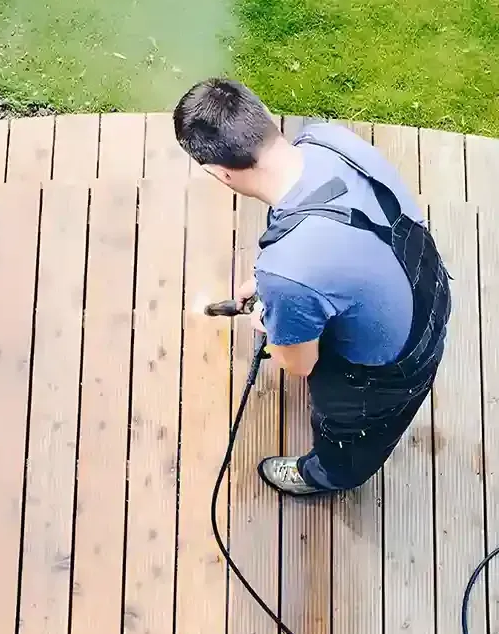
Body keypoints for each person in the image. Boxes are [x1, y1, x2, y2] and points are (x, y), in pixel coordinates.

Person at [173, 78, 452, 496]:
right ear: (264, 111)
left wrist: (278, 311)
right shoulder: (327, 140)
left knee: (351, 435)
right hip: (426, 287)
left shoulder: (288, 273)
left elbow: (299, 365)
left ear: (219, 173)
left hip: (391, 371)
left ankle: (327, 475)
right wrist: (286, 288)